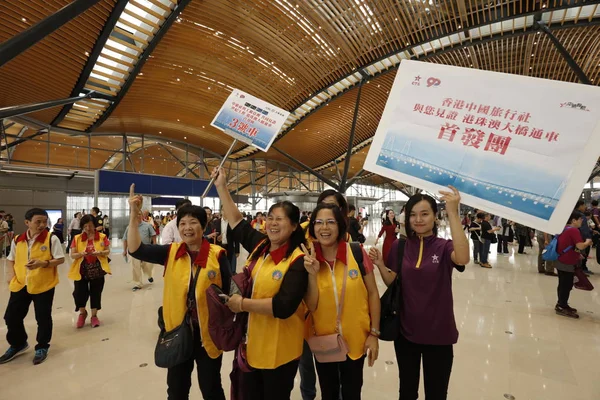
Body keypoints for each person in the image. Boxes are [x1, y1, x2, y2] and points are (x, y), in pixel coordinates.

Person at [213, 167, 308, 400]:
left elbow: (283, 306)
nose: (273, 224)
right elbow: (237, 222)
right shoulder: (261, 246)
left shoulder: (298, 260)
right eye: (270, 218)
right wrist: (221, 187)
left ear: (295, 226)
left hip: (280, 350)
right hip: (251, 344)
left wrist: (242, 304)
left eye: (280, 220)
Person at [126, 184, 229, 400]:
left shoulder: (218, 255)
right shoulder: (171, 252)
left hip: (207, 335)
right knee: (176, 390)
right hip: (177, 333)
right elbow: (136, 249)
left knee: (211, 388)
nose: (187, 227)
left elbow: (229, 294)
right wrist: (134, 216)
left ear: (204, 226)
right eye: (182, 223)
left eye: (193, 222)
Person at [368, 187, 469, 400]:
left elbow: (462, 258)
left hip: (439, 334)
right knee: (406, 392)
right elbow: (392, 281)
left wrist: (453, 212)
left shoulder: (443, 247)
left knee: (436, 393)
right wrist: (379, 265)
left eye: (424, 214)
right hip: (405, 333)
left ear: (435, 216)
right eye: (413, 214)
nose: (418, 219)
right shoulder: (400, 245)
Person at [302, 203, 380, 400]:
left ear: (340, 226)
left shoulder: (356, 252)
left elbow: (372, 293)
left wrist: (374, 334)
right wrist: (311, 275)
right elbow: (311, 306)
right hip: (323, 342)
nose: (324, 228)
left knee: (352, 393)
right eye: (318, 222)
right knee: (328, 393)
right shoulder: (308, 258)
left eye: (330, 222)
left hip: (356, 341)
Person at [0, 208, 65, 365]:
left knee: (42, 317)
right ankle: (18, 343)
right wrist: (10, 277)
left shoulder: (51, 239)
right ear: (27, 223)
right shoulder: (18, 240)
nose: (42, 225)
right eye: (38, 222)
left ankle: (42, 346)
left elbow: (60, 259)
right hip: (21, 283)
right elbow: (10, 259)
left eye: (45, 221)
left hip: (43, 284)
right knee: (11, 317)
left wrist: (44, 263)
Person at [68, 214, 111, 328]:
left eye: (90, 226)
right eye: (85, 226)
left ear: (95, 225)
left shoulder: (102, 237)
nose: (88, 228)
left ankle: (94, 316)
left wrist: (100, 253)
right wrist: (80, 254)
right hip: (81, 269)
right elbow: (72, 255)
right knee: (78, 293)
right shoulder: (77, 238)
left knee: (96, 292)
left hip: (97, 269)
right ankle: (83, 313)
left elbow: (107, 251)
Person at [555, 211, 592, 319]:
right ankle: (562, 306)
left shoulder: (564, 228)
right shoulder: (574, 230)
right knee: (566, 285)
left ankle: (562, 304)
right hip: (567, 261)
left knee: (562, 283)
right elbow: (580, 246)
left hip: (560, 259)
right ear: (573, 220)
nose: (582, 221)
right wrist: (587, 242)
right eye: (580, 219)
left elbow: (567, 244)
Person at [123, 213, 157, 291]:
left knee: (148, 266)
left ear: (142, 216)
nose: (137, 216)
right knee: (135, 267)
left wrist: (155, 245)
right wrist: (124, 250)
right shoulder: (129, 228)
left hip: (146, 249)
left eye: (138, 215)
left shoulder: (148, 226)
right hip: (133, 250)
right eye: (135, 215)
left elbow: (153, 235)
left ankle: (149, 275)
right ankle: (138, 283)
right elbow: (125, 239)